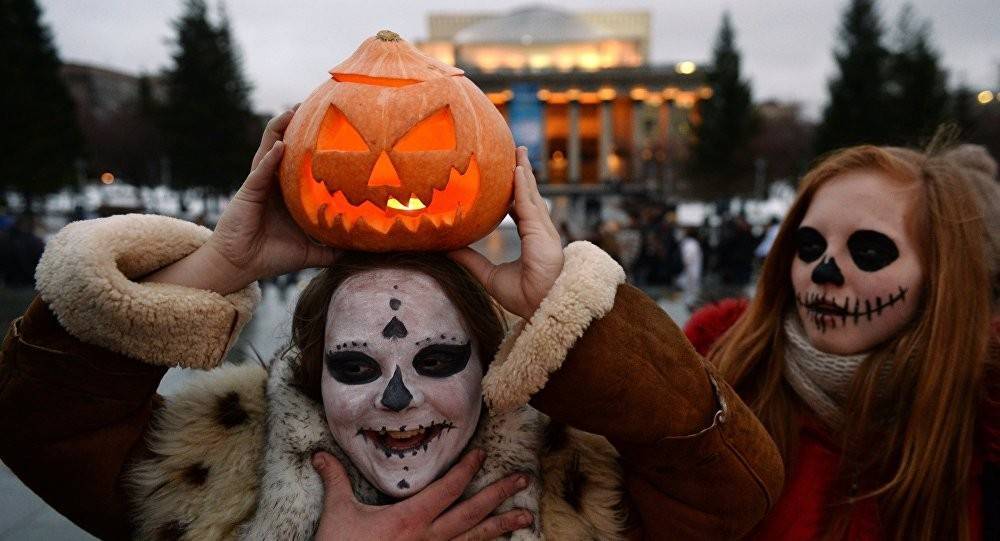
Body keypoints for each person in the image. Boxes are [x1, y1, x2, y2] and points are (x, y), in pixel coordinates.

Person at [0, 109, 783, 540]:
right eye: (355, 365)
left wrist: (570, 308)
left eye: (438, 359)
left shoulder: (577, 482)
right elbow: (37, 425)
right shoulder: (222, 466)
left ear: (489, 360)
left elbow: (731, 490)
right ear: (312, 371)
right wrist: (216, 266)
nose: (399, 398)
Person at [698, 142, 998, 540]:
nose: (823, 271)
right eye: (810, 246)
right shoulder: (713, 379)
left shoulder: (982, 419)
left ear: (940, 274)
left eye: (869, 250)